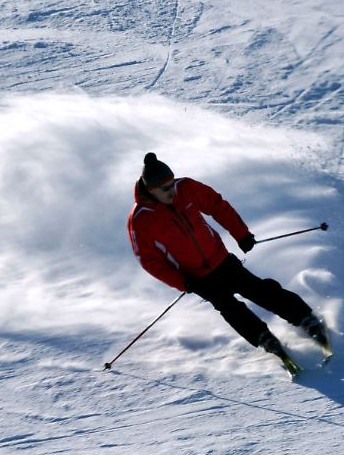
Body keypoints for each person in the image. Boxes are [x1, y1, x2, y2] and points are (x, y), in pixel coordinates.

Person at [126, 152, 329, 369]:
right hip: (197, 277)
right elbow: (149, 260)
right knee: (230, 308)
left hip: (220, 258)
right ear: (151, 189)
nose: (172, 191)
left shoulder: (186, 187)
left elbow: (217, 205)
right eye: (165, 188)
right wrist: (181, 282)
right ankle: (264, 339)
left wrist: (241, 234)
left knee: (256, 289)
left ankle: (304, 318)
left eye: (172, 184)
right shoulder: (140, 220)